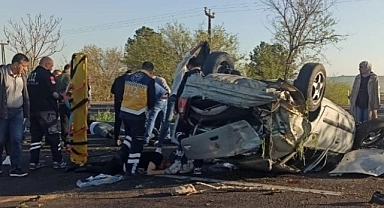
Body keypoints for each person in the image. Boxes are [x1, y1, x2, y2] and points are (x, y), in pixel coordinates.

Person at [155, 41, 205, 154]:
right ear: (190, 66)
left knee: (183, 124)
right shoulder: (182, 70)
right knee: (168, 122)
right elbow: (187, 56)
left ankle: (178, 149)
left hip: (186, 99)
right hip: (175, 98)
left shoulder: (197, 75)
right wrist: (198, 46)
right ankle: (160, 146)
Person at [27, 56, 69, 170]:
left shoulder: (31, 75)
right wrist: (61, 98)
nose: (51, 68)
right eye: (51, 66)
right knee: (53, 136)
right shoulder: (47, 76)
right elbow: (53, 92)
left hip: (34, 111)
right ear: (46, 64)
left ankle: (33, 162)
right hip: (47, 111)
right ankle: (58, 161)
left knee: (36, 138)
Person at [119, 61, 157, 175]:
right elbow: (152, 100)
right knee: (137, 142)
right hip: (137, 113)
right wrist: (147, 108)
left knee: (129, 138)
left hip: (124, 111)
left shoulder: (128, 77)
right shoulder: (149, 80)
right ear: (151, 71)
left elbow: (120, 93)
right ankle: (132, 168)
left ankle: (123, 161)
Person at [0, 53, 30, 177]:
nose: (25, 69)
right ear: (16, 64)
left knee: (17, 139)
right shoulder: (2, 74)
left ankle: (15, 167)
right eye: (23, 66)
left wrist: (26, 113)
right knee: (0, 140)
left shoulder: (22, 76)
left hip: (18, 112)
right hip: (2, 112)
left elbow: (25, 94)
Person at [75, 150, 172, 176]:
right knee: (106, 171)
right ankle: (84, 168)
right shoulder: (157, 159)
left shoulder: (157, 156)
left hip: (123, 158)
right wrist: (165, 171)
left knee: (105, 164)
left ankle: (86, 165)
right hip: (122, 162)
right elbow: (150, 172)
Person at [143, 75, 171, 145]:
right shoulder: (160, 80)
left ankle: (146, 138)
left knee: (151, 119)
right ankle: (167, 136)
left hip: (157, 100)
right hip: (164, 99)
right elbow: (168, 91)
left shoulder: (147, 81)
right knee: (165, 119)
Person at [111, 69, 133, 146]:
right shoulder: (131, 80)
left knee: (117, 121)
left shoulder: (118, 79)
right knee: (128, 121)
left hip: (117, 102)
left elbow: (112, 90)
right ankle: (128, 139)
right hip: (127, 103)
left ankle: (116, 138)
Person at [56, 64, 71, 143]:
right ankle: (70, 138)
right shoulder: (70, 77)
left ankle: (64, 138)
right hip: (69, 101)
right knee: (71, 120)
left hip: (60, 101)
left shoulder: (57, 77)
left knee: (63, 121)